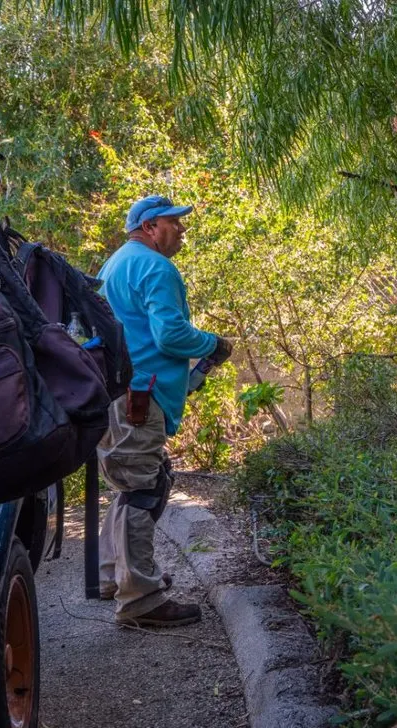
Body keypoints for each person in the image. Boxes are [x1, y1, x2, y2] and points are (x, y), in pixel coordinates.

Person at [97, 195, 233, 627]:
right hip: (143, 392)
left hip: (117, 392)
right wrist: (214, 344)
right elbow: (172, 335)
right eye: (175, 224)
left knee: (135, 482)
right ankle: (141, 600)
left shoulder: (116, 263)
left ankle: (112, 575)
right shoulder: (156, 267)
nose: (182, 232)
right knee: (144, 490)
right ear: (151, 226)